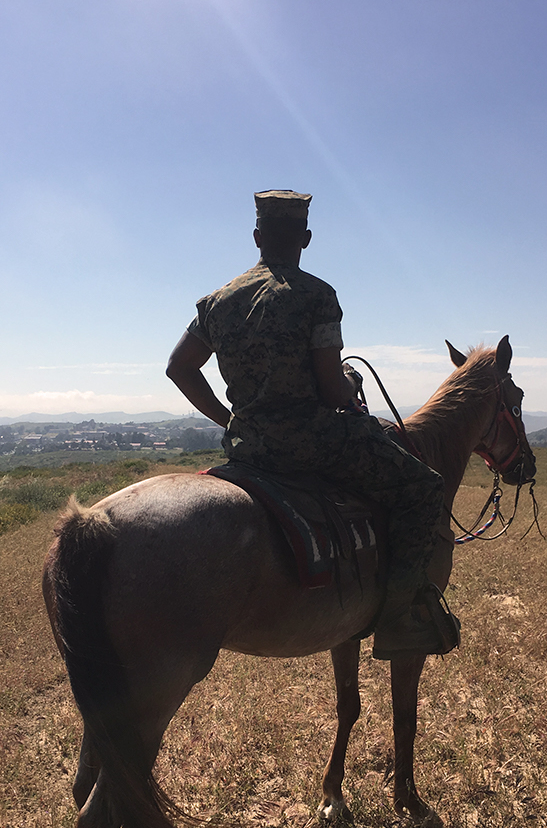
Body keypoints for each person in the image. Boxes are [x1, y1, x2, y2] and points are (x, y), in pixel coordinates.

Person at [166, 189, 456, 658]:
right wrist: (348, 379)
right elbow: (330, 388)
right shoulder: (317, 297)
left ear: (257, 237)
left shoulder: (217, 302)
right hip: (314, 442)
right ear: (305, 238)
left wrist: (230, 419)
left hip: (248, 448)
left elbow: (179, 368)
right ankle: (400, 619)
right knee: (422, 489)